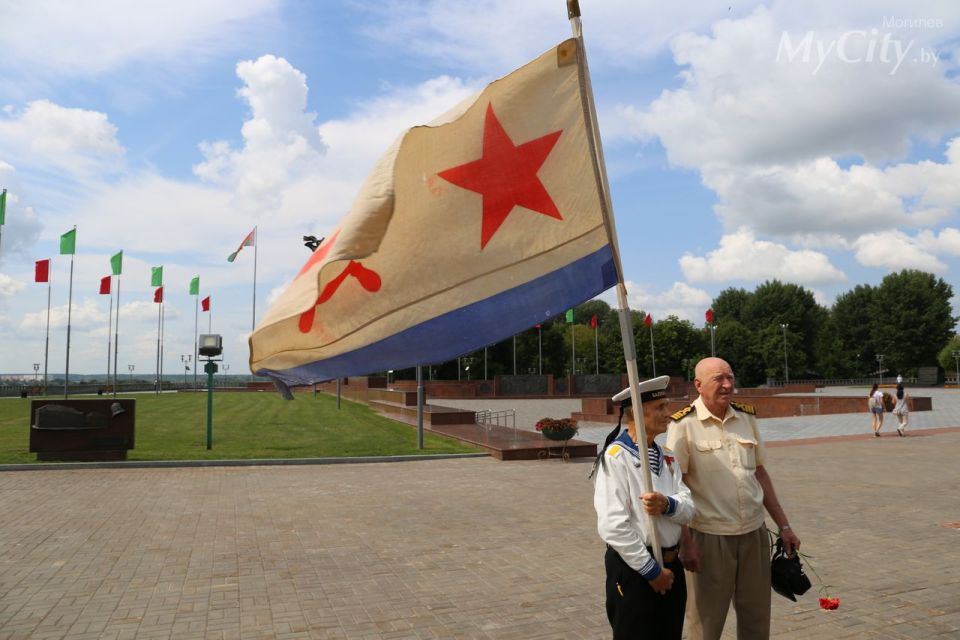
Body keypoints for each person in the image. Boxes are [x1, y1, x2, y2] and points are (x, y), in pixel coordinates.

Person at [666, 357, 800, 640]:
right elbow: (676, 487)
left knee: (756, 618)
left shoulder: (746, 418)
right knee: (705, 623)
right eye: (719, 379)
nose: (727, 385)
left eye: (730, 377)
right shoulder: (684, 425)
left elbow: (759, 473)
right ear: (698, 385)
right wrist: (685, 542)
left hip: (753, 534)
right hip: (709, 538)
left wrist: (784, 526)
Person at [591, 375, 695, 639]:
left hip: (671, 569)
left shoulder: (668, 457)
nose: (668, 414)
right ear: (636, 413)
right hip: (636, 570)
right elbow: (613, 526)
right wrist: (651, 571)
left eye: (667, 406)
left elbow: (689, 508)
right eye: (660, 408)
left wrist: (667, 504)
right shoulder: (616, 459)